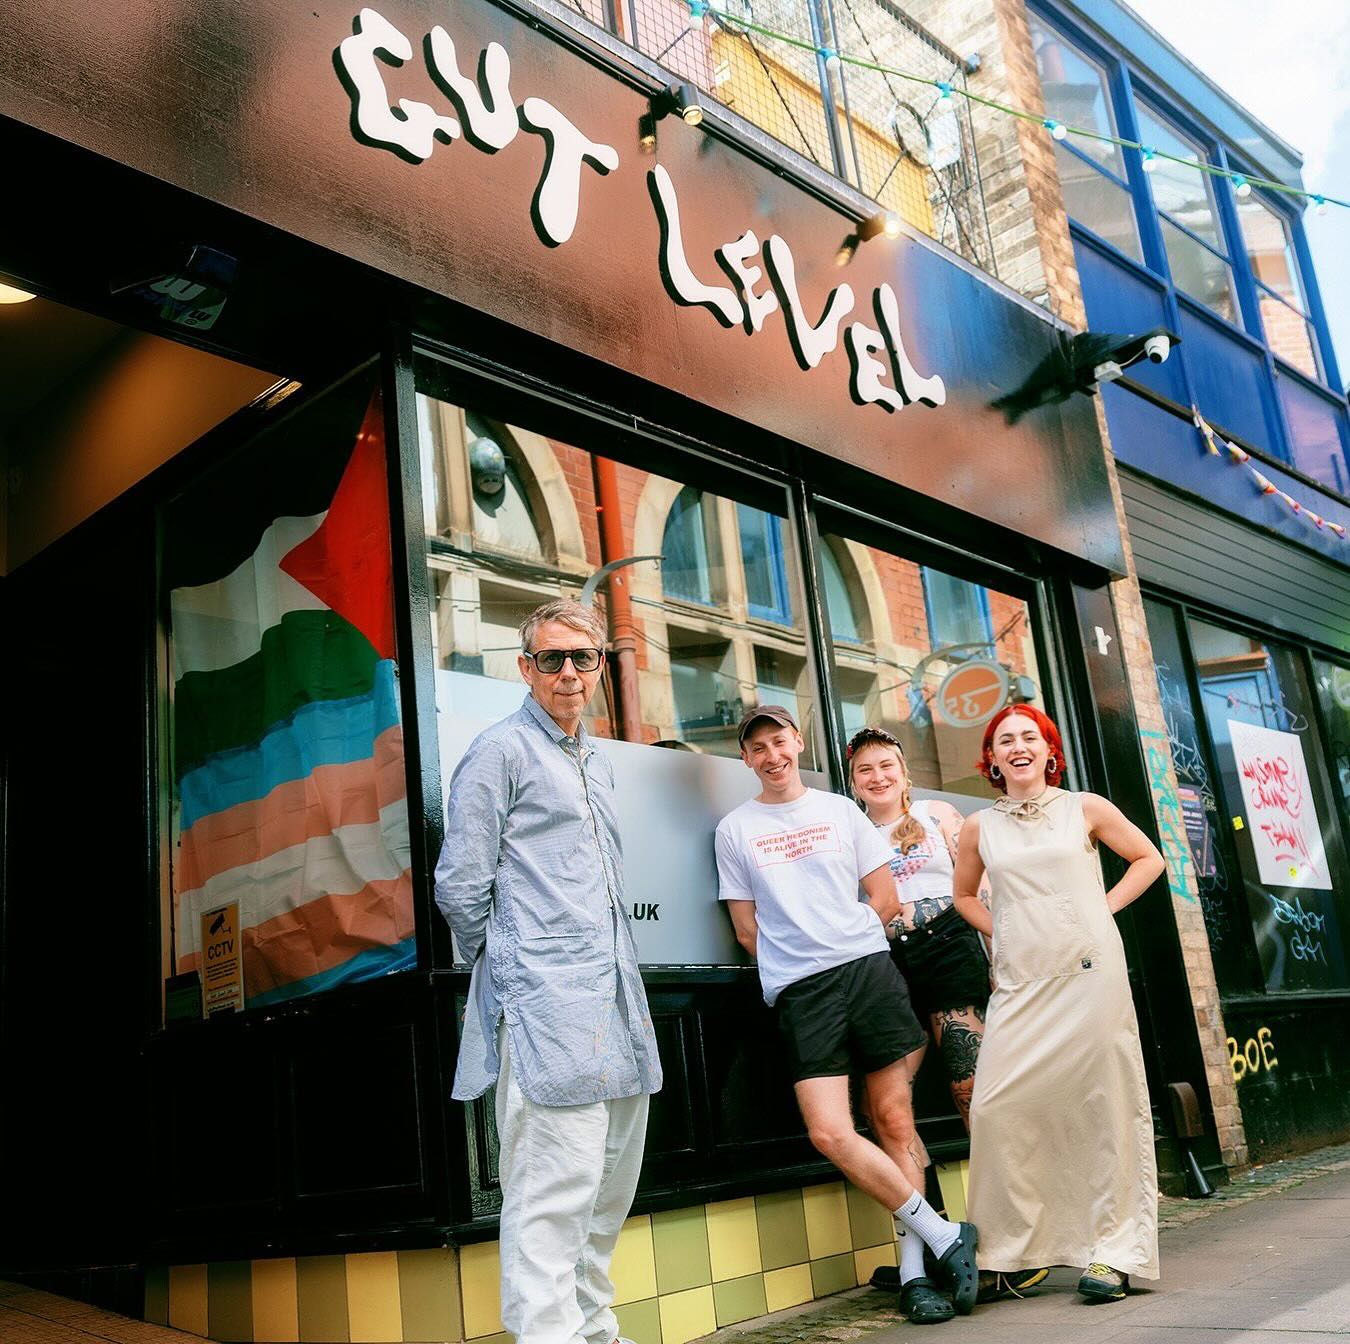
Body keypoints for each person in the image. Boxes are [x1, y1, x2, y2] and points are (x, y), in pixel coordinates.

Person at [434, 598, 662, 1344]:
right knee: (551, 1199)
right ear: (525, 668)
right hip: (548, 1013)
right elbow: (460, 885)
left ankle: (596, 1331)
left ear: (600, 668)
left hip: (617, 1009)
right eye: (552, 658)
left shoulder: (593, 758)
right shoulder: (499, 751)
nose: (568, 672)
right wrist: (514, 969)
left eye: (583, 658)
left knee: (606, 1194)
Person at [715, 705, 980, 1323]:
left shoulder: (839, 810)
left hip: (867, 972)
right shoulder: (735, 829)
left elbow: (883, 897)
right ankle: (945, 1236)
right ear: (746, 759)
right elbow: (746, 930)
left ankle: (915, 1274)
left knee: (892, 1119)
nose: (772, 756)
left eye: (779, 741)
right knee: (830, 1131)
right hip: (802, 992)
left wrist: (844, 939)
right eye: (757, 748)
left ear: (797, 743)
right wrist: (802, 953)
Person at [952, 704, 1164, 1304]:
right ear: (990, 758)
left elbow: (1150, 858)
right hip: (1021, 981)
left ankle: (1114, 1252)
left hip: (1089, 971)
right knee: (997, 1108)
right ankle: (1011, 1253)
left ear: (1049, 750)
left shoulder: (1085, 807)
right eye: (1003, 741)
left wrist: (1104, 909)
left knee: (1105, 1104)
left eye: (1028, 738)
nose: (1016, 747)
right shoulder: (977, 827)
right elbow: (963, 896)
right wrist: (1007, 930)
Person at [846, 727, 991, 1128]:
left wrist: (998, 958)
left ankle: (997, 1187)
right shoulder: (849, 837)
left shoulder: (937, 814)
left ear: (904, 771)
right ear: (854, 782)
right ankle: (914, 1191)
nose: (878, 777)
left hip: (949, 946)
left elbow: (982, 889)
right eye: (865, 770)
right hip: (886, 961)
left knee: (971, 1085)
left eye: (886, 765)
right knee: (883, 1106)